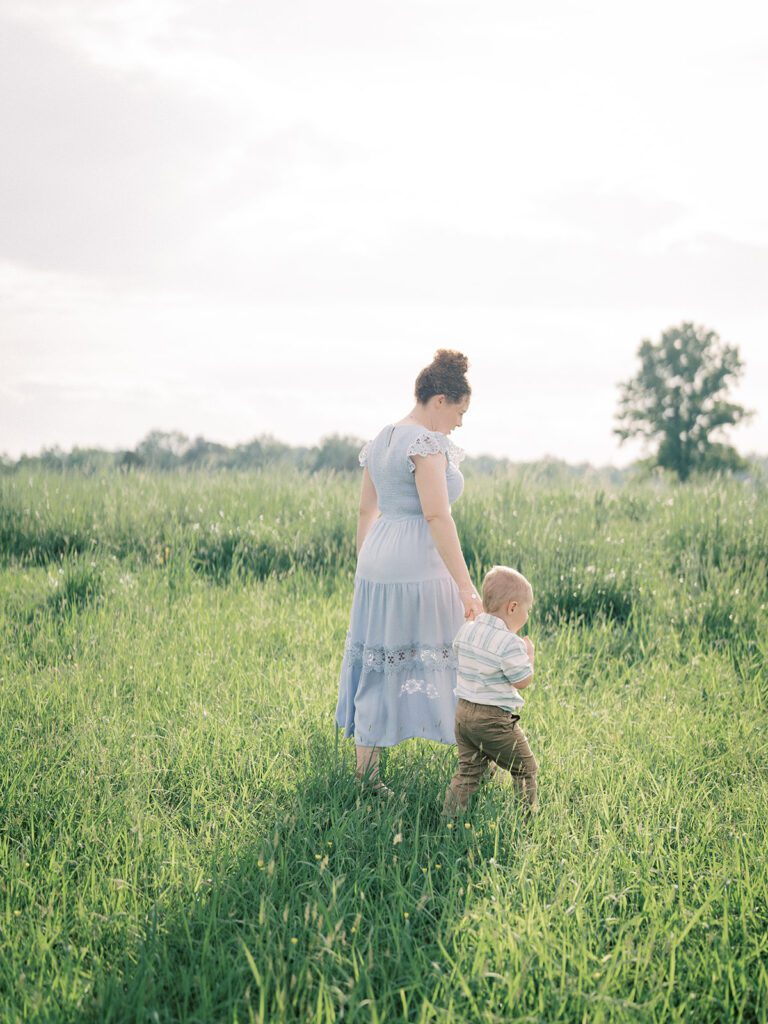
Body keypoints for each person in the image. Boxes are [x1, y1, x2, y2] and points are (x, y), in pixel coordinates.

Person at [335, 349, 483, 794]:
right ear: (440, 399)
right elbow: (438, 517)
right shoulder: (425, 443)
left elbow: (366, 509)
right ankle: (473, 766)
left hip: (378, 560)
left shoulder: (381, 438)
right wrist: (466, 585)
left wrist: (369, 564)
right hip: (418, 564)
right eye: (460, 411)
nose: (459, 422)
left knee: (381, 658)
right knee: (455, 656)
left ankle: (367, 774)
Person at [442, 565, 539, 815]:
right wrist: (529, 657)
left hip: (463, 715)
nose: (527, 615)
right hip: (492, 719)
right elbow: (522, 680)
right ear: (513, 607)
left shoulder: (468, 630)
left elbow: (457, 651)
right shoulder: (510, 643)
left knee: (468, 770)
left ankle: (449, 819)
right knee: (525, 768)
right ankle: (527, 820)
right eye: (528, 610)